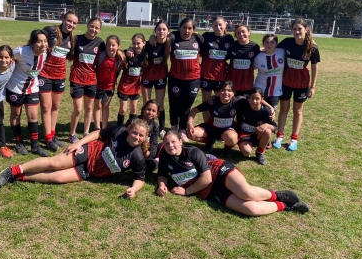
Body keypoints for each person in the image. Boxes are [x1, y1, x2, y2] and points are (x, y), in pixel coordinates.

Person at [156, 131, 310, 216]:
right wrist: (162, 185)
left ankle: (276, 195)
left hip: (218, 171)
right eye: (167, 143)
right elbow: (162, 173)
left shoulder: (193, 152)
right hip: (210, 191)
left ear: (181, 142)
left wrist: (186, 191)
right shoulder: (165, 156)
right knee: (252, 210)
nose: (170, 145)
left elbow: (207, 177)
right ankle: (287, 205)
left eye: (173, 142)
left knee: (246, 193)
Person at [0, 118, 150, 199]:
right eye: (134, 132)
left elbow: (140, 179)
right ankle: (12, 170)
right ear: (129, 130)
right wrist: (79, 143)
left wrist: (133, 190)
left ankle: (21, 177)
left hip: (89, 171)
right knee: (54, 163)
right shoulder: (120, 131)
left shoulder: (138, 157)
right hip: (87, 151)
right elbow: (98, 134)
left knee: (57, 177)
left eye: (141, 135)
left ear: (144, 138)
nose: (136, 136)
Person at [273, 18, 320, 151]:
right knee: (283, 110)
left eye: (299, 28)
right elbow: (272, 49)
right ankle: (279, 137)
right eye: (294, 29)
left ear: (306, 29)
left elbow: (315, 68)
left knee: (298, 111)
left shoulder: (312, 47)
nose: (297, 31)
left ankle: (294, 139)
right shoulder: (287, 42)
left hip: (302, 83)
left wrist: (313, 87)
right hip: (286, 81)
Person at [38, 11, 79, 152]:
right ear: (63, 19)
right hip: (45, 74)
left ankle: (53, 134)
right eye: (69, 21)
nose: (71, 24)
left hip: (60, 76)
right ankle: (48, 139)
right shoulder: (51, 30)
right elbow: (35, 42)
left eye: (74, 23)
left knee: (55, 106)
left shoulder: (73, 39)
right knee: (46, 107)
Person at [5, 29, 49, 157]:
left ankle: (35, 146)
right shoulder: (21, 51)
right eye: (39, 41)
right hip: (15, 88)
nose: (43, 44)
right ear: (32, 43)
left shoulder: (45, 54)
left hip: (32, 88)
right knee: (16, 114)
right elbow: (6, 57)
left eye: (45, 41)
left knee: (33, 116)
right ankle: (19, 143)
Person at [68, 17, 105, 143]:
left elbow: (111, 53)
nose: (93, 29)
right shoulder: (77, 39)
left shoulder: (100, 43)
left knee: (89, 108)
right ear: (87, 25)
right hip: (77, 78)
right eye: (92, 26)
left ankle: (86, 133)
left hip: (91, 80)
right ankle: (72, 134)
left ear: (99, 30)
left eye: (97, 28)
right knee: (78, 109)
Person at [166, 18, 203, 141]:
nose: (186, 31)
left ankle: (182, 129)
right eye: (184, 27)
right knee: (174, 103)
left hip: (193, 79)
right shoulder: (172, 38)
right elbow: (162, 38)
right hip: (176, 78)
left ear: (193, 30)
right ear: (179, 27)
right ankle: (173, 127)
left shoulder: (198, 40)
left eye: (190, 28)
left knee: (186, 105)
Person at [200, 16, 234, 120]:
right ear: (212, 26)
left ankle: (217, 124)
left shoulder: (229, 39)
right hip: (206, 75)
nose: (218, 27)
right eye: (215, 25)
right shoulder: (206, 36)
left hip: (221, 76)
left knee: (221, 101)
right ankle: (207, 125)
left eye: (220, 25)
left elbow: (236, 51)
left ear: (225, 25)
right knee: (206, 102)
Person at [141, 20, 170, 137]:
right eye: (159, 29)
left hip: (161, 76)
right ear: (155, 31)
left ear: (168, 31)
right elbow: (137, 46)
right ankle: (144, 126)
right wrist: (131, 50)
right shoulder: (149, 43)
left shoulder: (170, 41)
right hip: (147, 75)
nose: (161, 31)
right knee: (146, 103)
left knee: (160, 103)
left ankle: (162, 129)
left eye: (164, 29)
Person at [236, 88, 277, 165]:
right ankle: (250, 144)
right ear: (248, 98)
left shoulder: (266, 111)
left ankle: (260, 153)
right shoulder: (244, 105)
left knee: (268, 131)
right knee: (246, 153)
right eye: (252, 98)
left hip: (258, 134)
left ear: (262, 99)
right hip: (245, 133)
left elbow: (275, 128)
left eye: (257, 99)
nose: (254, 101)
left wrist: (267, 124)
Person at [93, 35, 125, 130]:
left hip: (110, 87)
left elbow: (126, 66)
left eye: (113, 45)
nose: (111, 47)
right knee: (98, 106)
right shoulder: (100, 55)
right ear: (106, 45)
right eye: (108, 45)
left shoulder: (120, 58)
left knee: (106, 106)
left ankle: (104, 127)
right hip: (98, 86)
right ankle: (97, 128)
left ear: (118, 46)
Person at [117, 33, 145, 126]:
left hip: (136, 86)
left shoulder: (145, 54)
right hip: (124, 86)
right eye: (133, 43)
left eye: (138, 43)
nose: (136, 46)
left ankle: (130, 127)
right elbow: (118, 51)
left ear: (144, 43)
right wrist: (128, 49)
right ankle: (119, 127)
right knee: (123, 109)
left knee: (133, 109)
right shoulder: (128, 53)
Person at [125, 99, 160, 171]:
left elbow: (154, 143)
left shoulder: (155, 127)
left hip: (144, 153)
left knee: (151, 166)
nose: (150, 112)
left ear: (157, 114)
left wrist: (150, 153)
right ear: (143, 109)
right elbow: (124, 135)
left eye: (153, 111)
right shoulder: (133, 121)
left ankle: (157, 161)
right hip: (130, 149)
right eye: (148, 109)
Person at [227, 25, 260, 97]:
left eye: (243, 32)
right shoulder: (232, 46)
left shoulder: (255, 47)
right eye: (238, 33)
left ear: (249, 32)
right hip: (232, 82)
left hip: (247, 83)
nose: (241, 34)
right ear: (235, 35)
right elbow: (224, 58)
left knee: (244, 105)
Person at [254, 34, 285, 109]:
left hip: (275, 91)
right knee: (258, 113)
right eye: (266, 42)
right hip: (260, 90)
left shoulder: (282, 52)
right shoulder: (258, 57)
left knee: (270, 115)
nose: (269, 44)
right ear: (263, 44)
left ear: (276, 44)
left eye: (272, 42)